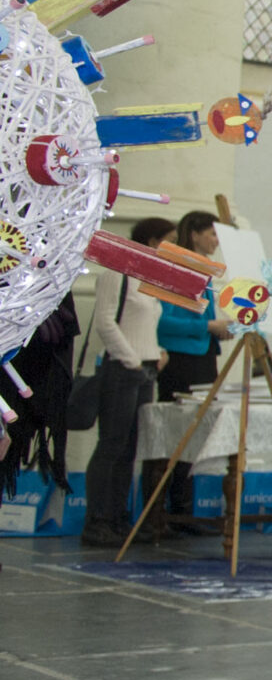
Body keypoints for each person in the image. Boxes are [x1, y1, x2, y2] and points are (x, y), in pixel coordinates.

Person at [79, 217, 173, 550]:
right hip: (122, 369)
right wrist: (131, 359)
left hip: (145, 369)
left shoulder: (148, 278)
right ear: (150, 241)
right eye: (168, 240)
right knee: (112, 446)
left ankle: (118, 518)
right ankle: (98, 522)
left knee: (130, 450)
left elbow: (145, 323)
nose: (173, 248)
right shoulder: (116, 274)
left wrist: (156, 352)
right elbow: (105, 322)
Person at [147, 209, 229, 537]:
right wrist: (207, 325)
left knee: (195, 437)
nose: (216, 240)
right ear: (194, 234)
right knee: (174, 436)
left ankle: (184, 510)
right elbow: (162, 320)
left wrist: (221, 327)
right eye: (211, 233)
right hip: (180, 360)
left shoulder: (203, 271)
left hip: (202, 356)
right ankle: (159, 514)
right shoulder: (175, 267)